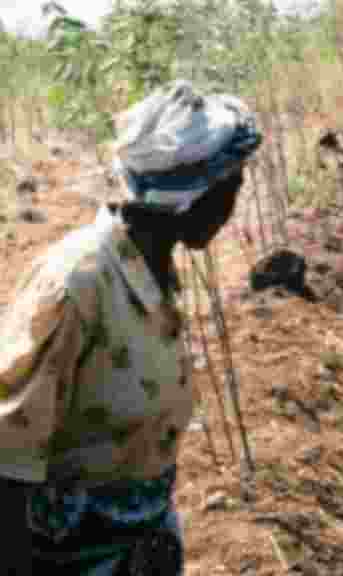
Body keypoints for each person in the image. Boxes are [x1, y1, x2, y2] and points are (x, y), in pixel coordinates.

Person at [0, 79, 261, 575]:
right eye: (233, 187)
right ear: (194, 197)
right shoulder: (77, 284)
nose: (235, 202)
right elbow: (6, 459)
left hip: (140, 546)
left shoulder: (151, 268)